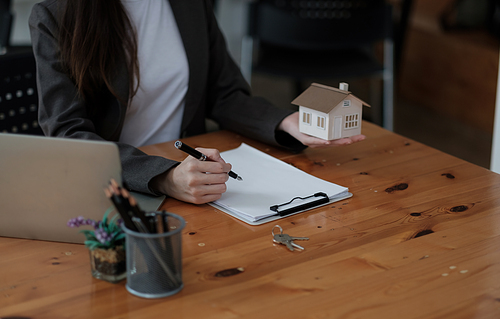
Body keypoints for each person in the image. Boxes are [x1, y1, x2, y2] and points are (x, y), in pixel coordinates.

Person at [29, 0, 365, 204]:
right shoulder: (55, 14)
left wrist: (283, 123)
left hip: (199, 179)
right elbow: (67, 134)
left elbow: (224, 91)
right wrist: (164, 177)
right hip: (118, 187)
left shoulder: (189, 4)